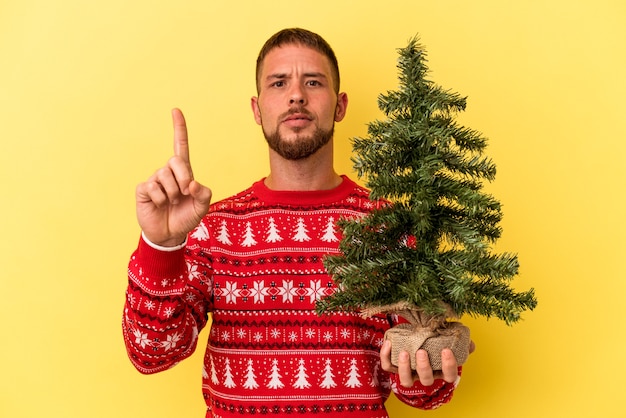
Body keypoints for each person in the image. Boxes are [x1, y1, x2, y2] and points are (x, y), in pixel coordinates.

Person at [123, 28, 471, 417]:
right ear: (257, 109)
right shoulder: (213, 227)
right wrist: (161, 246)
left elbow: (423, 394)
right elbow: (151, 353)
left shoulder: (389, 228)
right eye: (279, 83)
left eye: (313, 82)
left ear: (340, 106)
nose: (296, 95)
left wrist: (430, 375)